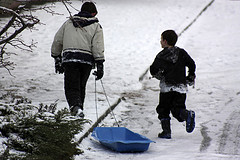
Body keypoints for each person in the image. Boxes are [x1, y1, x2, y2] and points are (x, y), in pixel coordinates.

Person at [51, 2, 105, 117]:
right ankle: (79, 109)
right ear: (93, 13)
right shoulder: (96, 26)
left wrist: (57, 58)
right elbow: (97, 45)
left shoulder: (68, 23)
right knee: (81, 86)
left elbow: (57, 41)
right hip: (86, 61)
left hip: (70, 59)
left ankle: (76, 108)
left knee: (71, 86)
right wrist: (100, 64)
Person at [150, 30, 196, 139]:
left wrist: (159, 75)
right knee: (177, 109)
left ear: (165, 41)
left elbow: (153, 69)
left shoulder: (161, 56)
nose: (160, 41)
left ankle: (166, 132)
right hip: (181, 88)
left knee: (163, 109)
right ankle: (186, 114)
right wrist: (190, 76)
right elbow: (192, 64)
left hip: (167, 88)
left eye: (161, 39)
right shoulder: (182, 53)